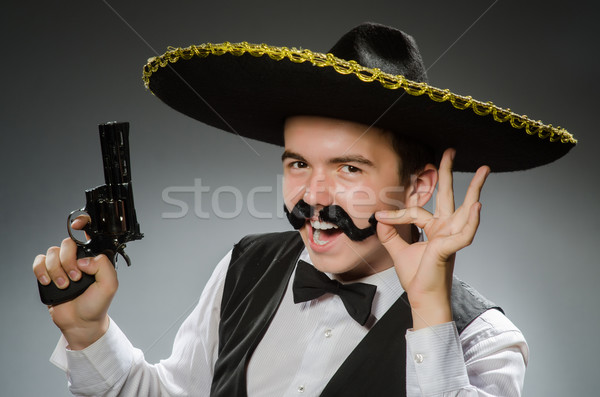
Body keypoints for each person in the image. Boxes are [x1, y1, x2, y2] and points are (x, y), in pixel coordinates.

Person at [33, 23, 575, 396]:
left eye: (349, 169)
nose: (314, 197)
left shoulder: (486, 340)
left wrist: (430, 310)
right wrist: (88, 331)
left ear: (418, 188)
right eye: (298, 165)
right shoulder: (242, 268)